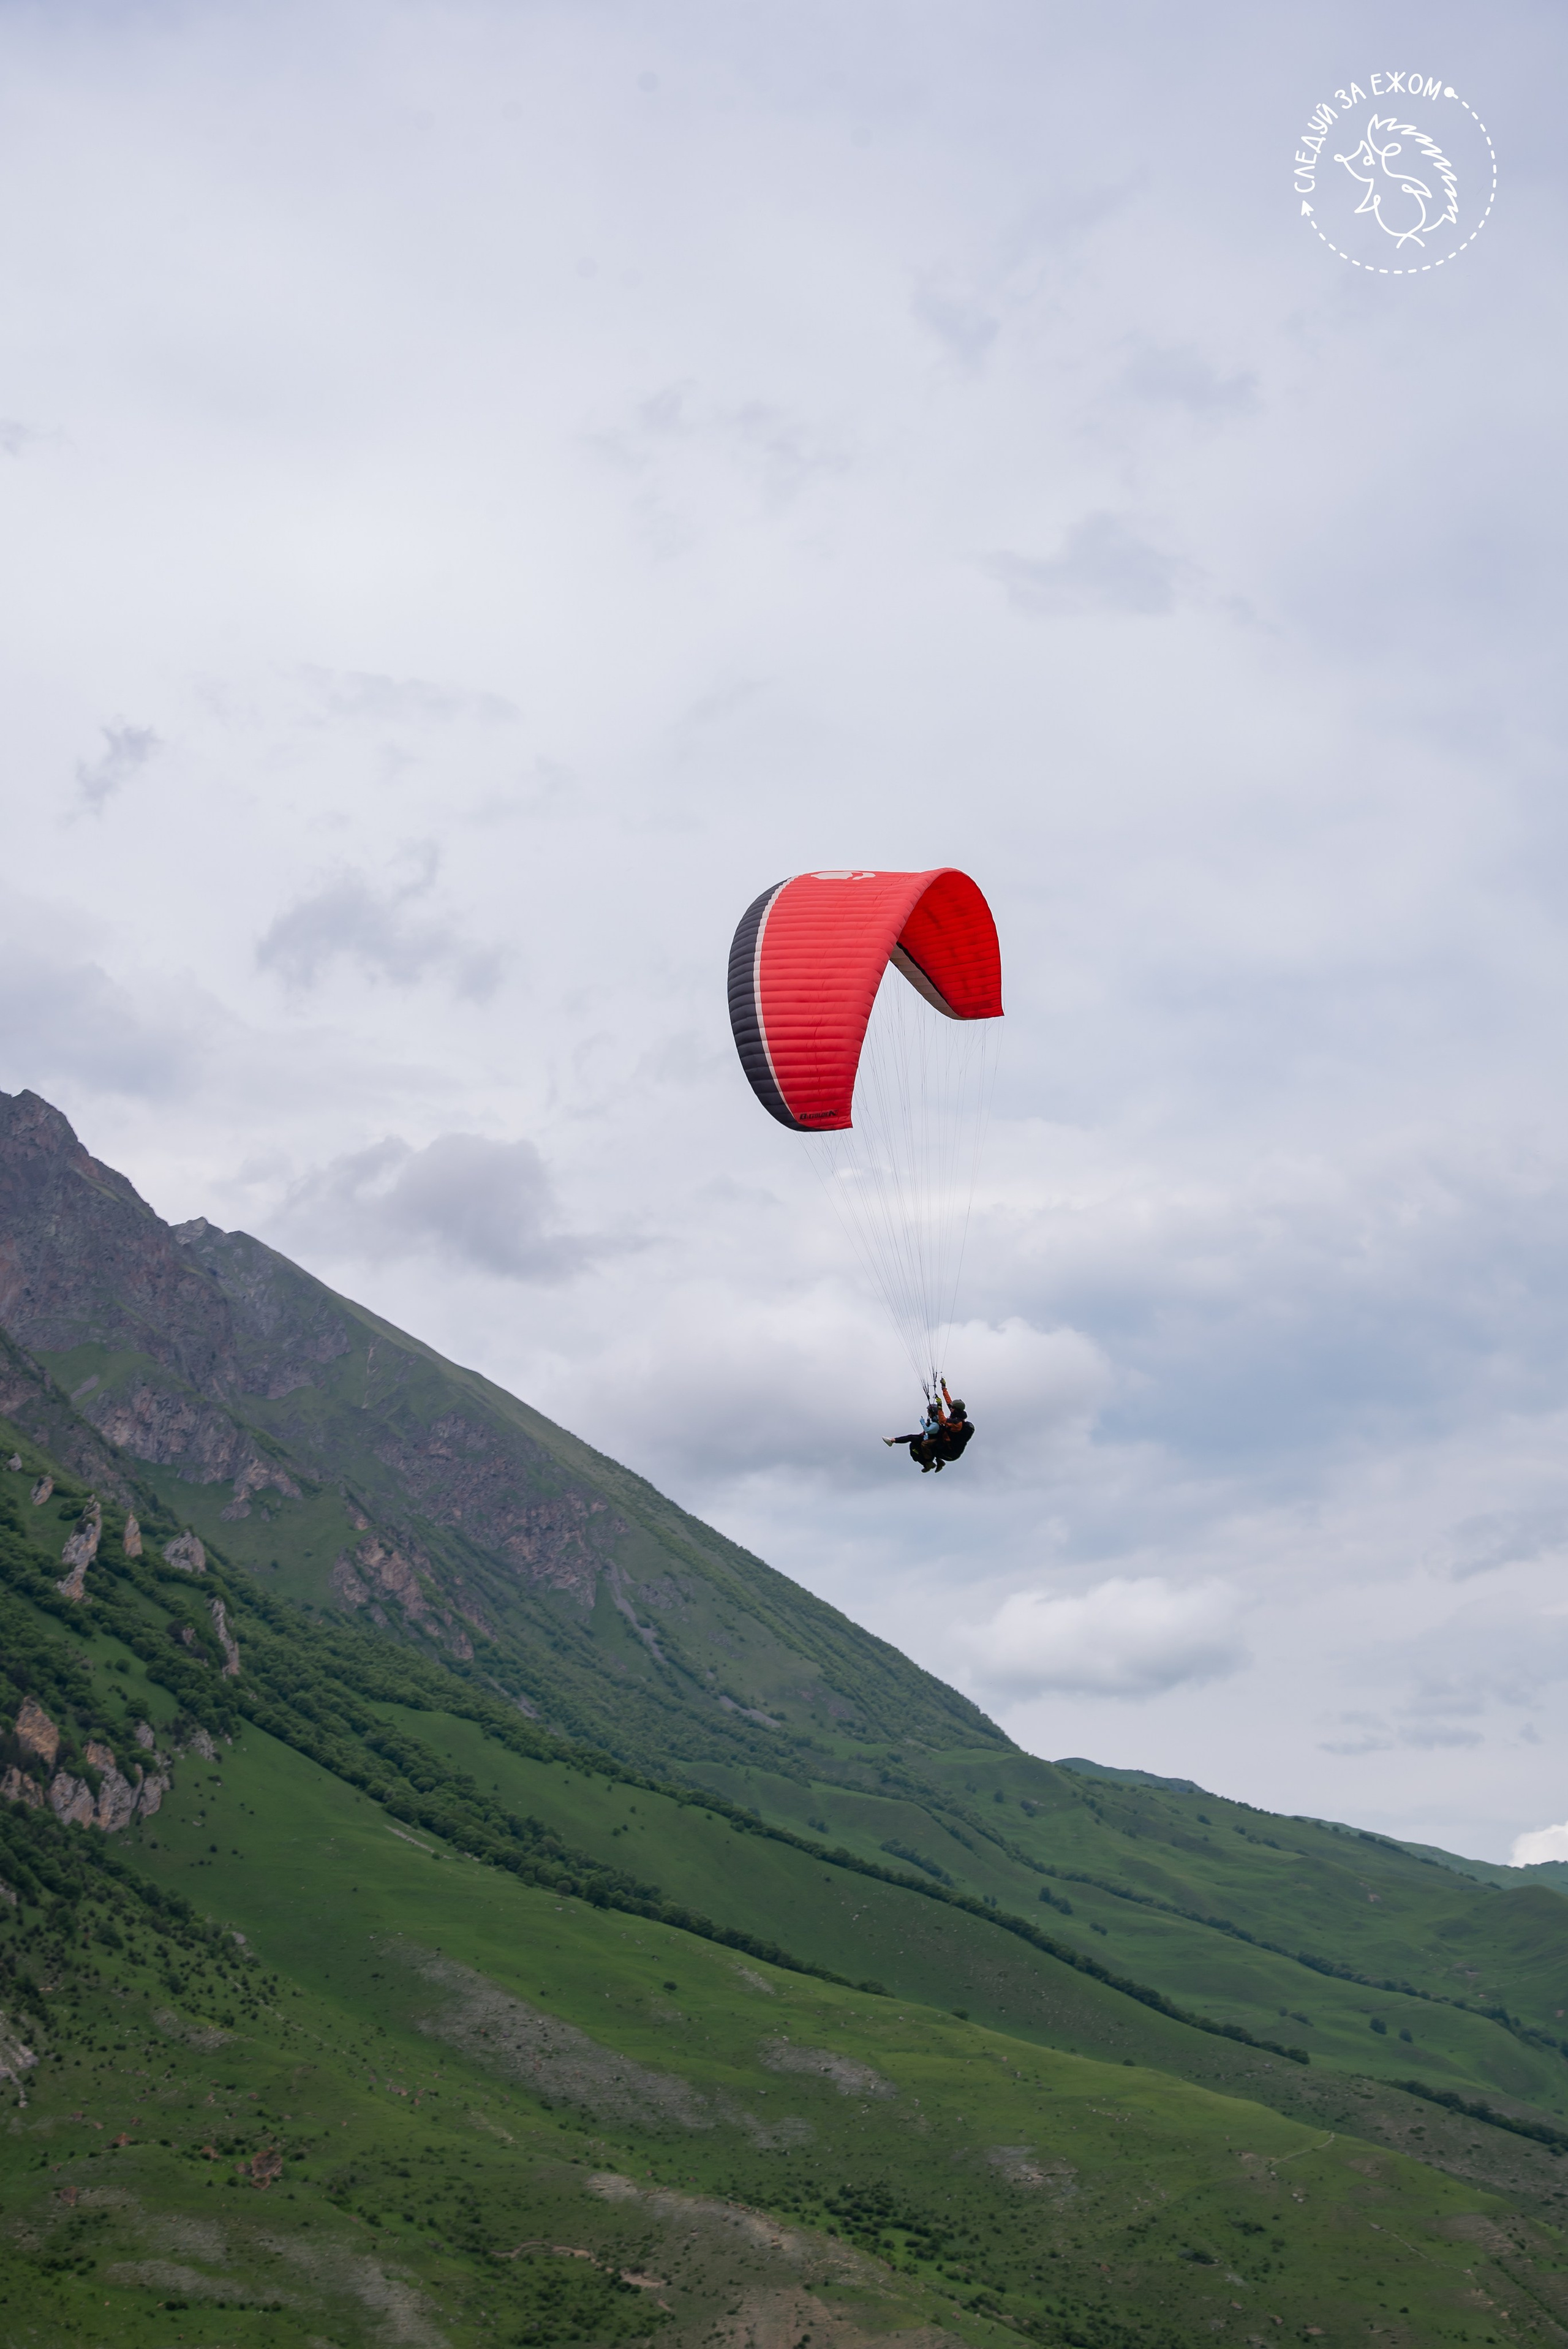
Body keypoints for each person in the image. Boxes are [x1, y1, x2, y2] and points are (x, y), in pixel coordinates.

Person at [883, 1381, 973, 1472]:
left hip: (951, 1451)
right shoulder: (956, 1413)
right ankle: (937, 1462)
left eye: (952, 1408)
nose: (951, 1408)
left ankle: (930, 1463)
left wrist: (939, 1407)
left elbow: (943, 1420)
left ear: (956, 1409)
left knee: (925, 1444)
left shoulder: (957, 1423)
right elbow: (949, 1402)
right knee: (919, 1441)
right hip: (944, 1444)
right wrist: (944, 1388)